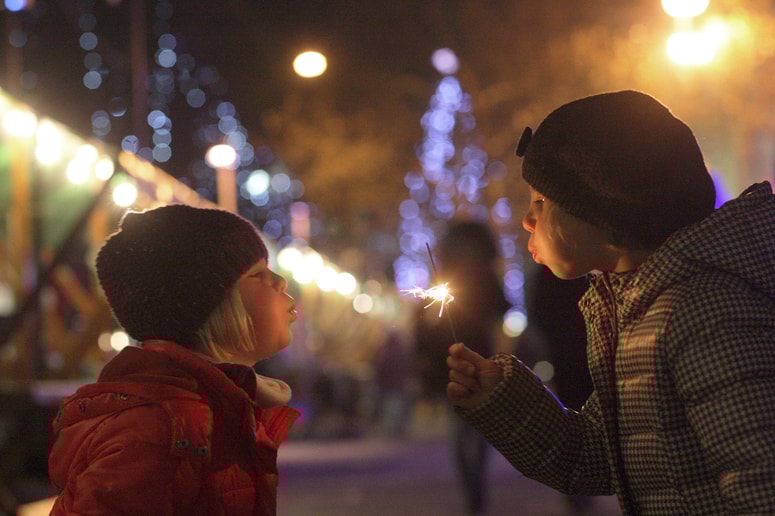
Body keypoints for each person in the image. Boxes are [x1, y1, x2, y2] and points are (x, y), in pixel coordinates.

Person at [446, 90, 775, 515]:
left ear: (603, 210)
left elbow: (761, 482)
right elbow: (603, 458)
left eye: (541, 202)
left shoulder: (703, 314)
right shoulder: (634, 309)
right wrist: (506, 400)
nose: (527, 220)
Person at [48, 204, 300, 516]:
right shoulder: (158, 431)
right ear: (203, 306)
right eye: (257, 274)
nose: (280, 281)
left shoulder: (218, 407)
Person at [415, 220, 510, 515]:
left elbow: (424, 321)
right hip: (478, 355)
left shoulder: (446, 272)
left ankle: (472, 486)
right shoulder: (484, 273)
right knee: (478, 426)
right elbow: (503, 310)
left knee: (460, 426)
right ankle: (475, 485)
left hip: (451, 359)